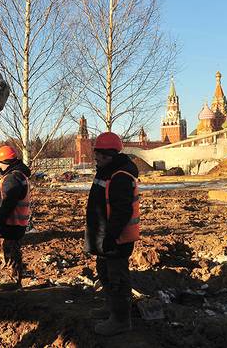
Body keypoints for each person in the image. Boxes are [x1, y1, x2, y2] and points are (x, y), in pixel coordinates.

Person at [84, 132, 141, 336]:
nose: (96, 158)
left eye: (99, 154)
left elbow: (121, 211)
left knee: (117, 278)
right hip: (105, 237)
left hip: (117, 239)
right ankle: (111, 309)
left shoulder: (120, 177)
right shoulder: (107, 171)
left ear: (109, 155)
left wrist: (110, 237)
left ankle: (120, 320)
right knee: (105, 273)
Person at [0, 145, 31, 290]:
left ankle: (11, 281)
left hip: (9, 224)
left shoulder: (11, 178)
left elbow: (8, 203)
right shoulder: (20, 176)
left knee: (8, 253)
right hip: (16, 224)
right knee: (14, 252)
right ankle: (15, 280)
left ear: (4, 162)